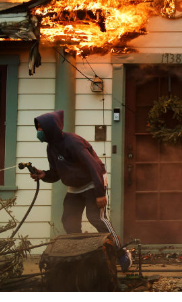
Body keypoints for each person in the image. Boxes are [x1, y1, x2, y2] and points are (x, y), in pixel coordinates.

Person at [30, 110, 131, 271]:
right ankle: (77, 255)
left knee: (96, 218)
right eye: (38, 128)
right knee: (68, 220)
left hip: (92, 183)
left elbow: (94, 166)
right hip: (74, 188)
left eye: (41, 128)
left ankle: (121, 253)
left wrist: (99, 193)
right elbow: (56, 173)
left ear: (51, 127)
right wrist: (43, 175)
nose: (39, 132)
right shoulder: (51, 147)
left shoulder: (73, 142)